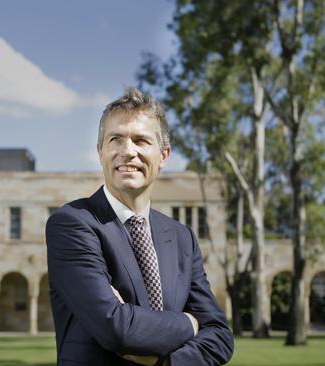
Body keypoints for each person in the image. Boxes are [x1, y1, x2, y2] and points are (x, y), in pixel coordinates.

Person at [46, 87, 234, 365]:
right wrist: (190, 324)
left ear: (164, 155)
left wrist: (164, 363)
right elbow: (116, 329)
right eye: (115, 140)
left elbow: (220, 336)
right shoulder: (73, 224)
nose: (127, 152)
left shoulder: (182, 238)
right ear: (101, 152)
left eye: (141, 140)